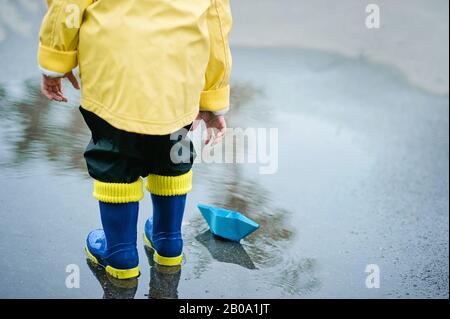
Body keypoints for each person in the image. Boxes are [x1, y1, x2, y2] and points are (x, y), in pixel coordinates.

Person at [38, 0, 232, 280]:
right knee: (171, 151)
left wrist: (56, 58)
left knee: (113, 154)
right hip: (178, 75)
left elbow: (68, 4)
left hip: (113, 72)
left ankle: (120, 254)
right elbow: (216, 24)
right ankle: (168, 242)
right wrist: (212, 98)